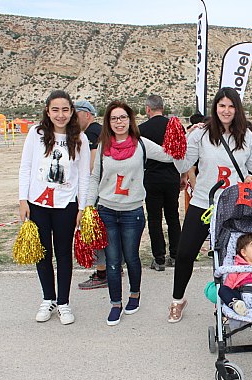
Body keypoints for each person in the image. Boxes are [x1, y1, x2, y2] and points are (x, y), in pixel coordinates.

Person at [169, 87, 252, 323]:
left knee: (230, 257)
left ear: (237, 109)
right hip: (204, 202)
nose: (226, 110)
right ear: (215, 108)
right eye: (222, 105)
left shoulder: (246, 136)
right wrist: (178, 143)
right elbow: (183, 164)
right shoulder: (201, 134)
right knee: (185, 253)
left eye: (231, 106)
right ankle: (177, 299)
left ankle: (228, 305)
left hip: (235, 205)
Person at [86, 100, 174, 326]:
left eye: (123, 117)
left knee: (132, 258)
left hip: (132, 213)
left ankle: (134, 295)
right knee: (113, 261)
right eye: (114, 118)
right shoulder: (103, 145)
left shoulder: (142, 144)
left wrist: (190, 135)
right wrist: (88, 207)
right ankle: (115, 303)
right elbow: (95, 178)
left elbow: (170, 154)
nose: (119, 122)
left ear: (130, 120)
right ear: (108, 122)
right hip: (106, 211)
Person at [18, 90, 90, 325]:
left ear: (72, 112)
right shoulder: (36, 134)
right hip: (38, 204)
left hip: (65, 205)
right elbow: (26, 167)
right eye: (55, 110)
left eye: (65, 110)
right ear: (48, 111)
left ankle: (64, 303)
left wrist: (82, 206)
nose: (60, 115)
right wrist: (23, 200)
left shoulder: (80, 138)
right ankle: (48, 298)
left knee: (63, 254)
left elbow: (82, 176)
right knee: (44, 254)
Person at [138, 94, 184, 272]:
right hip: (172, 176)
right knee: (173, 217)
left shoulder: (141, 129)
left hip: (152, 178)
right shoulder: (174, 127)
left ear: (148, 109)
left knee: (155, 219)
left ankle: (159, 258)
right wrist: (183, 175)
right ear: (162, 108)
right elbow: (182, 152)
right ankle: (175, 254)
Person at [75, 100, 109, 290]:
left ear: (87, 114)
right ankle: (111, 267)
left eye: (76, 113)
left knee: (96, 232)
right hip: (104, 190)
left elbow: (92, 166)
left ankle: (102, 272)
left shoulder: (92, 133)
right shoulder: (100, 131)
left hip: (95, 191)